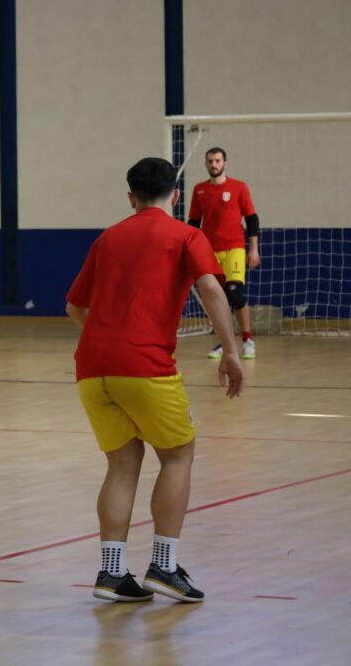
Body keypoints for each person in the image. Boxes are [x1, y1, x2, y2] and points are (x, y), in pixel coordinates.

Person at [66, 157, 244, 603]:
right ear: (177, 196)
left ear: (131, 197)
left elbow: (74, 307)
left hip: (91, 367)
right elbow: (212, 289)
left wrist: (108, 341)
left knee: (122, 465)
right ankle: (164, 567)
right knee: (178, 456)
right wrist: (232, 351)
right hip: (144, 366)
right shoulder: (187, 234)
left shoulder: (108, 237)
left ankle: (112, 573)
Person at [187, 147, 261, 359]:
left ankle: (248, 339)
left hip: (234, 249)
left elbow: (252, 219)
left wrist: (254, 249)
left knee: (235, 294)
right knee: (216, 299)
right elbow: (193, 223)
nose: (214, 164)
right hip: (209, 251)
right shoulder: (199, 190)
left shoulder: (239, 187)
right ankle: (224, 342)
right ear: (206, 164)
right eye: (210, 161)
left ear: (225, 164)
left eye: (218, 161)